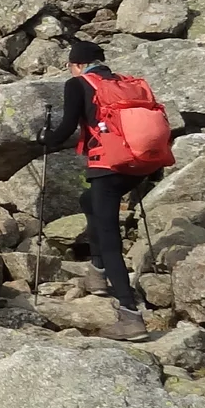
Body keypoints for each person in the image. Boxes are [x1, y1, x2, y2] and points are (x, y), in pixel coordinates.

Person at [41, 39, 149, 340]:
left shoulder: (78, 84)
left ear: (76, 64)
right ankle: (97, 272)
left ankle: (130, 317)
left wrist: (45, 139)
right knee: (88, 200)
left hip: (107, 168)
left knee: (109, 235)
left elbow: (66, 129)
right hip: (139, 165)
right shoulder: (125, 83)